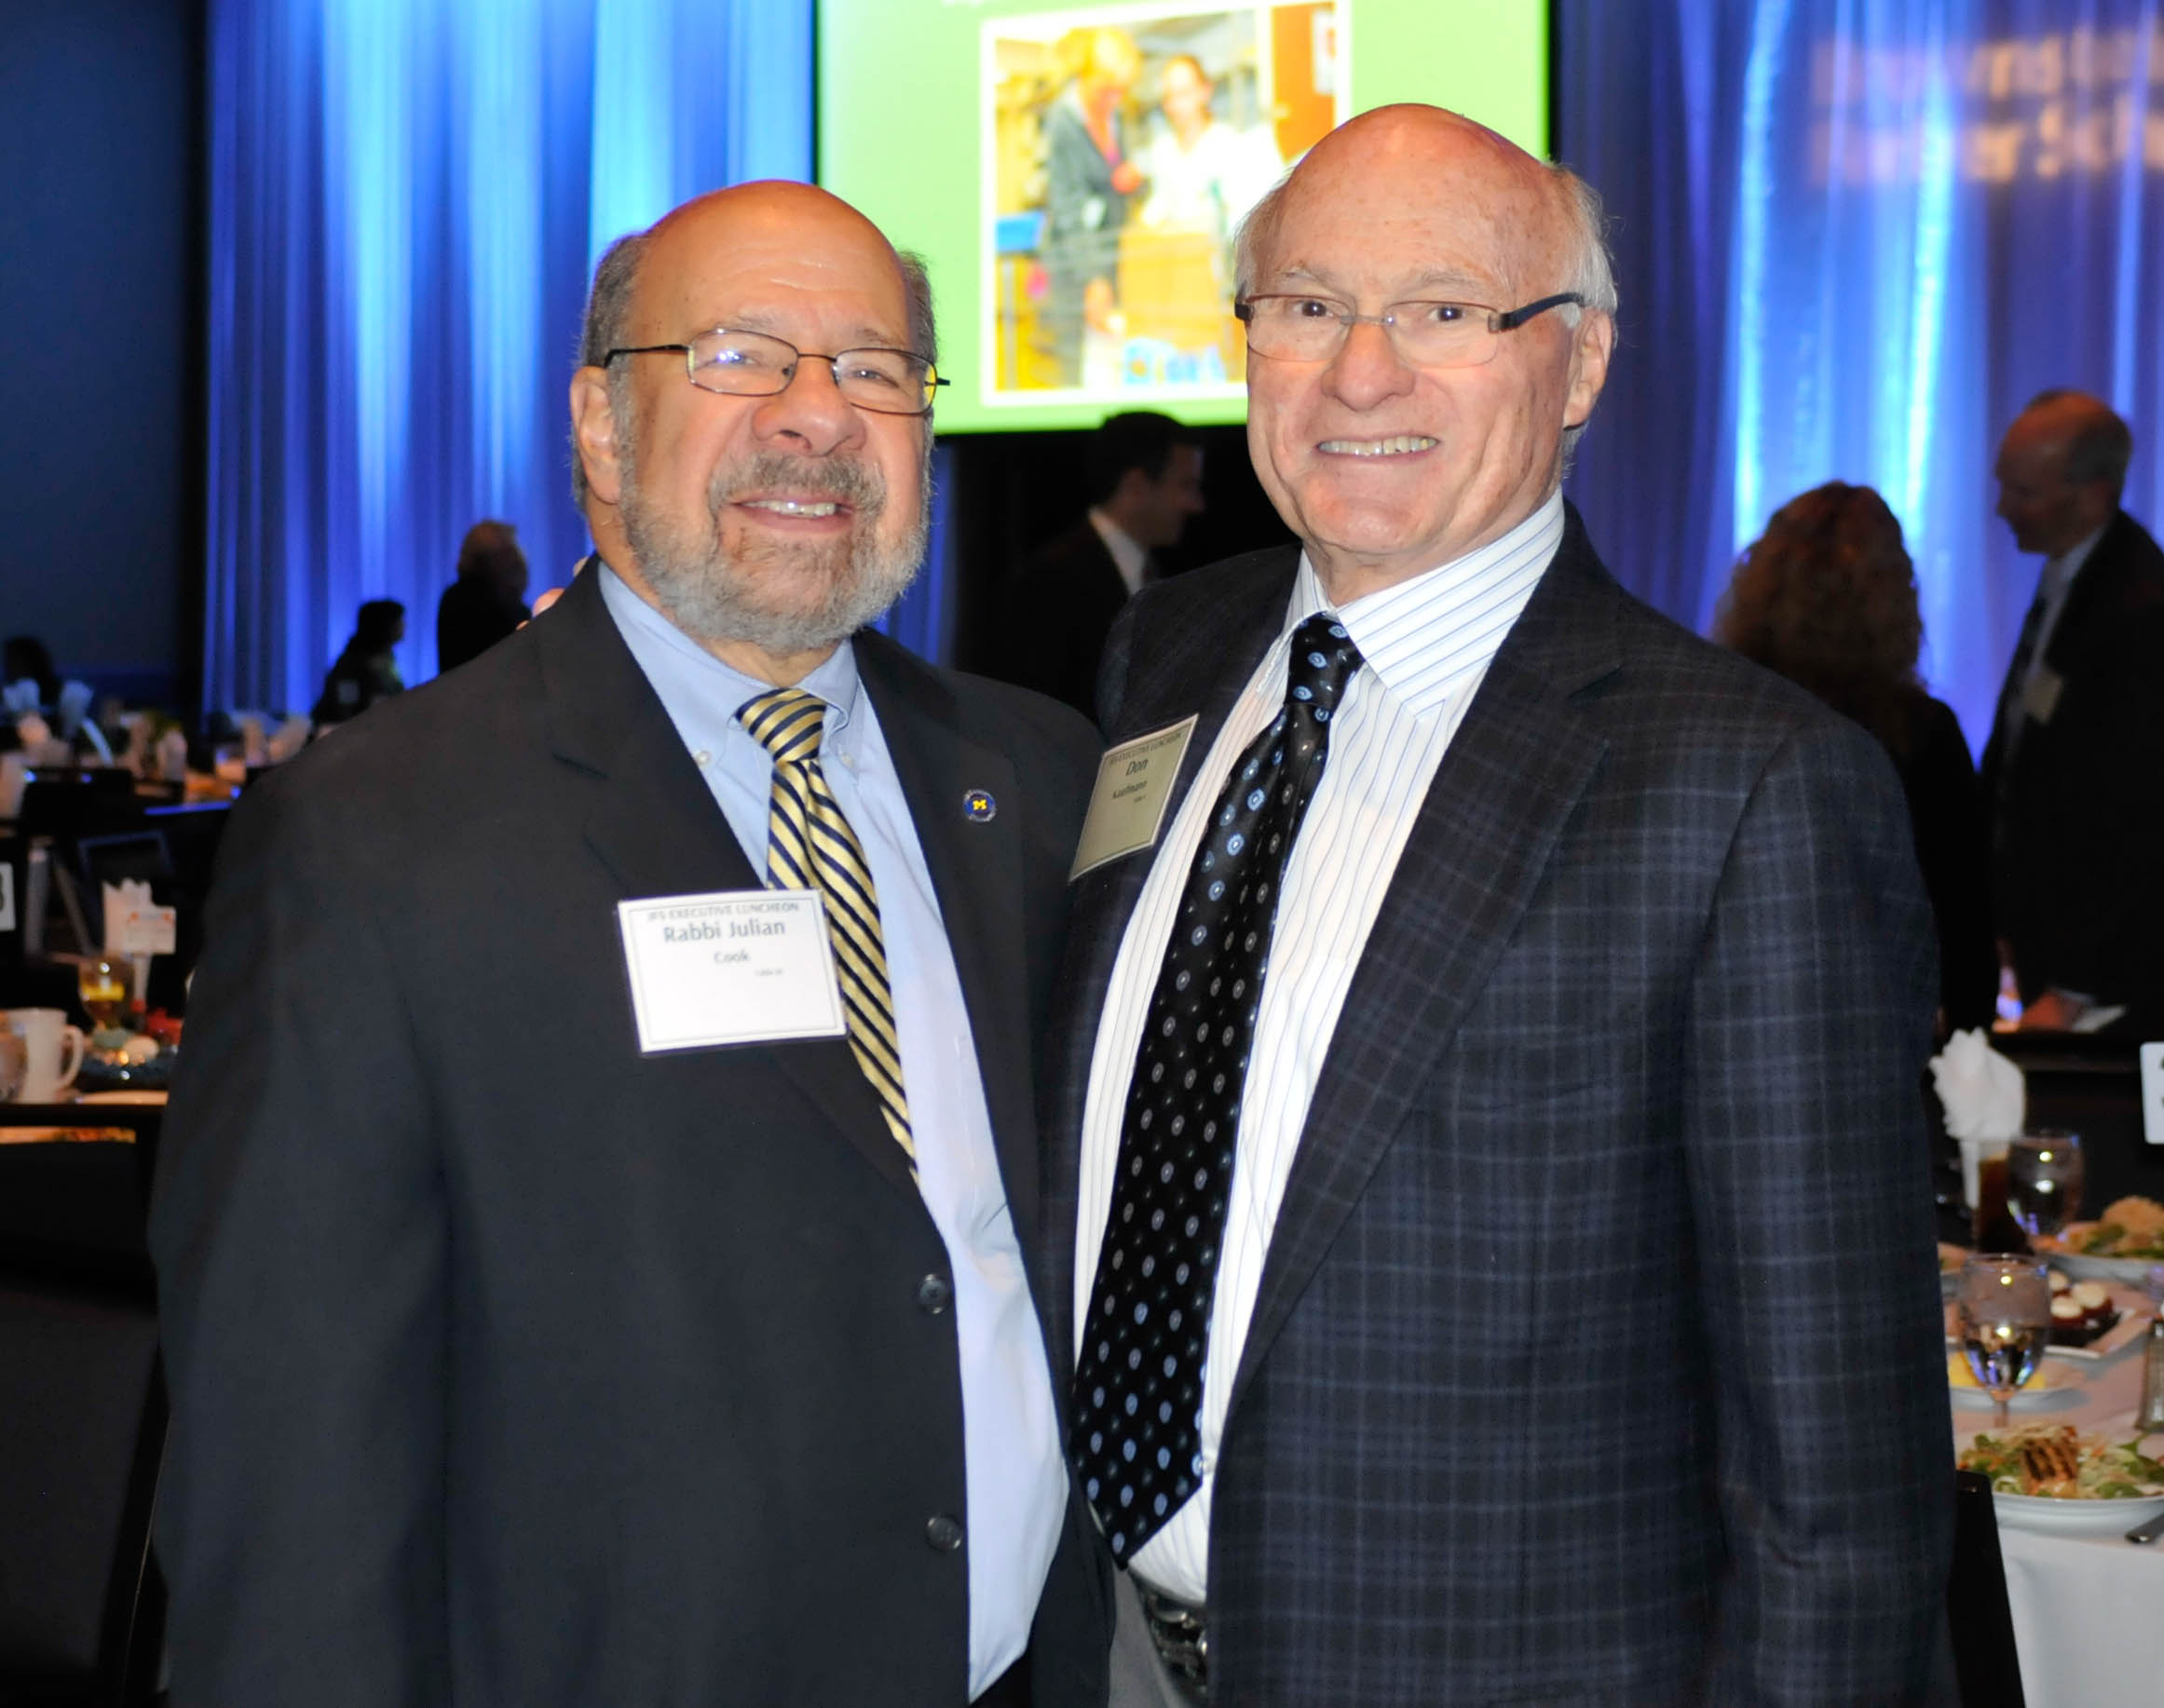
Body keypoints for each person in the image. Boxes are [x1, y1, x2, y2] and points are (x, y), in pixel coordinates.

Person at [152, 182, 1110, 1708]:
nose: (816, 419)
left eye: (872, 368)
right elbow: (293, 1470)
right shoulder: (377, 835)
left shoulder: (1044, 780)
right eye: (740, 357)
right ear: (599, 426)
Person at [1042, 104, 1952, 1706]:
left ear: (1580, 362)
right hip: (1095, 1648)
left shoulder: (1746, 790)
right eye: (1306, 305)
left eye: (1443, 310)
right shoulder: (1163, 662)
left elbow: (1836, 1491)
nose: (1360, 371)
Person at [1716, 481, 1997, 1035]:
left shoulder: (1721, 715)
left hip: (1743, 1009)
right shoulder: (1922, 734)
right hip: (1882, 1022)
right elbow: (1962, 917)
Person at [1982, 389, 2164, 1035]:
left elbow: (2139, 818)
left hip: (2105, 982)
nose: (2002, 508)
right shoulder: (2072, 573)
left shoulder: (2140, 612)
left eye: (2024, 493)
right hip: (2045, 947)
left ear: (2092, 495)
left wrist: (2076, 985)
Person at [989, 411, 1206, 714]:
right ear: (1136, 485)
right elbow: (1034, 710)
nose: (1197, 504)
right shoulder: (1052, 580)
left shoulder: (1161, 576)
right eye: (1185, 485)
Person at [1040, 27, 1144, 386]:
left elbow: (1114, 180)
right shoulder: (1063, 122)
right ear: (1086, 76)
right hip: (1074, 261)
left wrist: (1132, 179)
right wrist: (1093, 279)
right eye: (1106, 89)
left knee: (1110, 357)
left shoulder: (1115, 116)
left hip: (1110, 252)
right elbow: (1068, 207)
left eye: (1121, 91)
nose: (1114, 99)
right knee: (1074, 362)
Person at [435, 518, 532, 673]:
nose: (518, 561)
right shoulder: (465, 603)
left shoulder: (509, 604)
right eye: (508, 553)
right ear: (483, 560)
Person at [309, 597, 406, 725]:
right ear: (383, 625)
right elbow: (344, 709)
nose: (404, 626)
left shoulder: (386, 659)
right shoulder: (351, 665)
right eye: (398, 621)